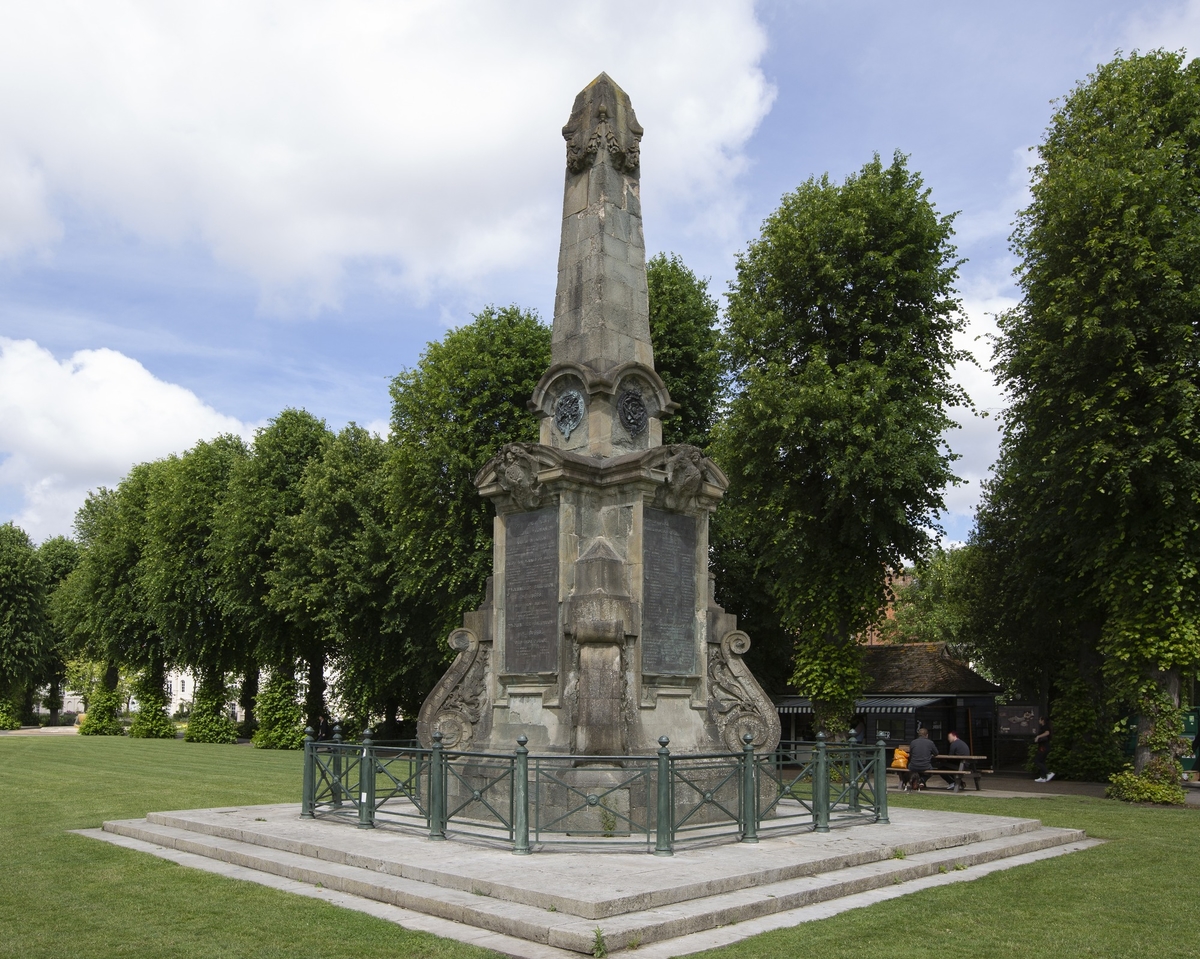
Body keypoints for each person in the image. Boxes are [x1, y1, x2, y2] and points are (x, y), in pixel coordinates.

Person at [1033, 716, 1054, 782]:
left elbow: (1047, 733)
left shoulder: (1045, 727)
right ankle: (1043, 777)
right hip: (1043, 746)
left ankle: (1049, 773)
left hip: (1043, 747)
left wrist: (1038, 736)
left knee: (1037, 760)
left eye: (1040, 719)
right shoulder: (1043, 727)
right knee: (1042, 761)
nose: (1039, 720)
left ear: (1042, 720)